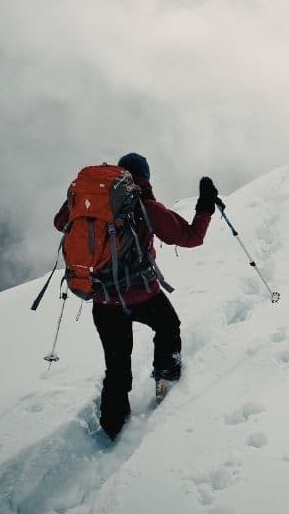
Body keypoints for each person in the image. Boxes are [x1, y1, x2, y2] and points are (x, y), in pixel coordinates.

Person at [53, 152, 219, 439]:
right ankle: (166, 381)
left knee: (117, 365)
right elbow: (192, 237)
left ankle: (113, 426)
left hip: (104, 301)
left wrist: (86, 199)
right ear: (145, 177)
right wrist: (205, 206)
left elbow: (60, 222)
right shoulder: (146, 206)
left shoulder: (93, 203)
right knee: (168, 327)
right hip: (144, 295)